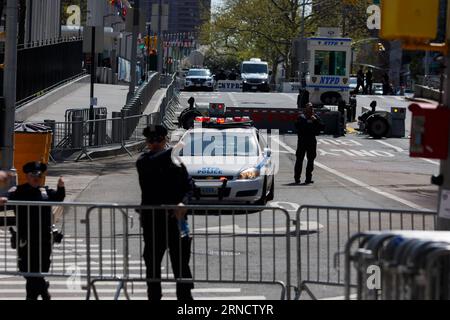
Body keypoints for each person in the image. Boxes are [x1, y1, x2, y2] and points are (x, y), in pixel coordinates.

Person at [136, 125, 194, 301]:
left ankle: (185, 299)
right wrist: (172, 151)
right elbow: (152, 164)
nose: (154, 144)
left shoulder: (177, 163)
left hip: (177, 221)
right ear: (147, 142)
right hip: (153, 221)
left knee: (181, 263)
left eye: (158, 140)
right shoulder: (144, 161)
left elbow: (190, 187)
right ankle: (154, 296)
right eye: (151, 141)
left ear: (165, 140)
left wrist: (184, 203)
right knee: (152, 263)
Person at [7, 162, 65, 300]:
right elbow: (6, 202)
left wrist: (61, 187)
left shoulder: (44, 192)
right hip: (26, 239)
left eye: (39, 175)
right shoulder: (18, 191)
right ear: (27, 176)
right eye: (33, 175)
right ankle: (42, 288)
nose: (36, 177)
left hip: (44, 239)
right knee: (27, 270)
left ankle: (38, 292)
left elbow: (58, 197)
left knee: (41, 268)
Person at [294, 104, 325, 185]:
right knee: (299, 160)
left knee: (311, 160)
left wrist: (315, 121)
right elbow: (296, 126)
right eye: (309, 110)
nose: (311, 111)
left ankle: (308, 178)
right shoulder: (301, 117)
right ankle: (297, 178)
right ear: (305, 110)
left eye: (312, 110)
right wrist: (306, 122)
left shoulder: (315, 117)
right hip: (302, 141)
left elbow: (322, 127)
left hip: (311, 141)